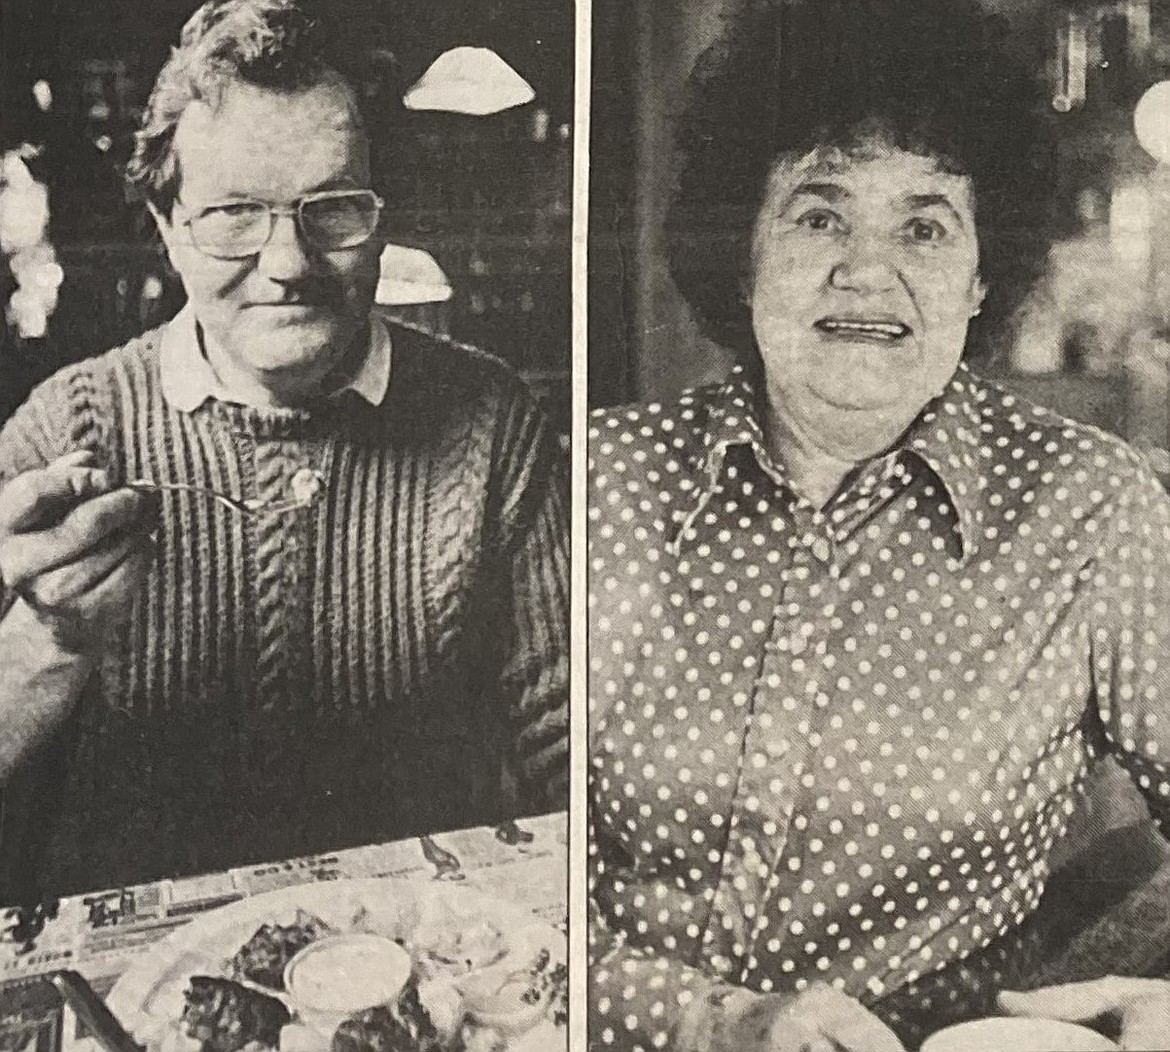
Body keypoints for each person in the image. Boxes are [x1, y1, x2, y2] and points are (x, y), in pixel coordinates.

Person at [587, 1, 1170, 1049]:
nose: (868, 267)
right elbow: (494, 876)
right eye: (819, 213)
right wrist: (713, 1020)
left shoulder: (1092, 507)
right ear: (744, 247)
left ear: (985, 271)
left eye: (926, 223)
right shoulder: (599, 482)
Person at [0, 0, 568, 900]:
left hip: (417, 949)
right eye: (233, 214)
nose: (288, 263)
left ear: (380, 214)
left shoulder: (490, 419)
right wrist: (46, 641)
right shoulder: (63, 429)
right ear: (166, 224)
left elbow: (565, 743)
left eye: (331, 208)